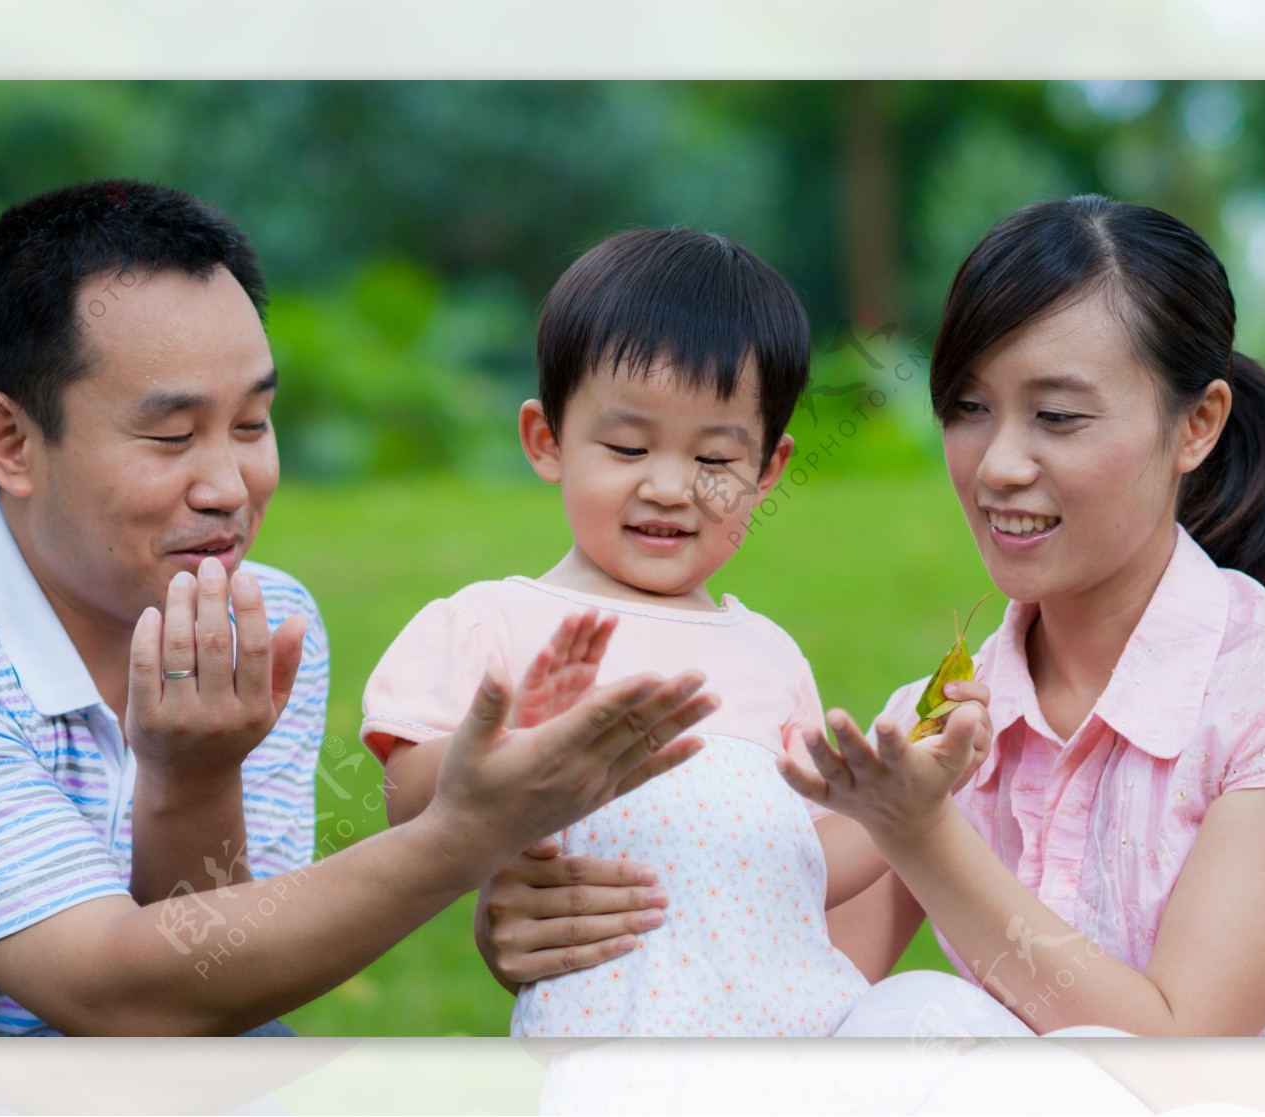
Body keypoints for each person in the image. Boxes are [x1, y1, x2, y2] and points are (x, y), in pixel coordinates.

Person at [0, 180, 716, 1038]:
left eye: (254, 424)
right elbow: (119, 1000)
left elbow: (218, 985)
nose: (230, 488)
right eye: (172, 435)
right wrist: (462, 837)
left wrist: (196, 778)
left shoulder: (259, 622)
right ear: (12, 440)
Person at [488, 196, 1265, 1039]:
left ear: (1197, 424)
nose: (1001, 465)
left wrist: (927, 831)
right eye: (968, 408)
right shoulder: (936, 726)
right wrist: (553, 921)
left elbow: (1186, 1050)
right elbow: (779, 998)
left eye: (1058, 416)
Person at [358, 228, 990, 1037]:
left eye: (716, 460)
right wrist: (522, 741)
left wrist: (909, 797)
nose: (667, 486)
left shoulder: (769, 656)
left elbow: (793, 871)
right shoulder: (493, 623)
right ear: (546, 440)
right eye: (626, 446)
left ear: (766, 470)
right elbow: (409, 812)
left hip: (797, 1050)